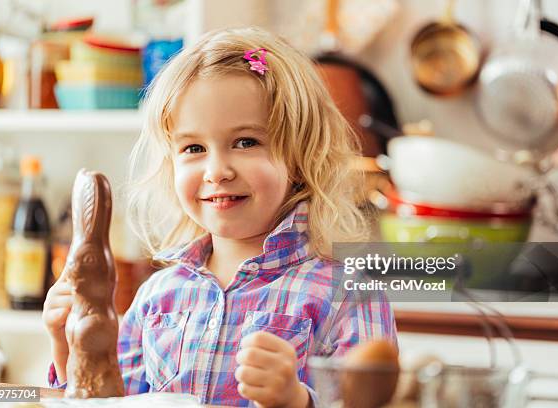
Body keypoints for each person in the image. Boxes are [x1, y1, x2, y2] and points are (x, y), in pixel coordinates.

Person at [43, 27, 397, 407]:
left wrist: (298, 400)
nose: (217, 170)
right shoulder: (157, 297)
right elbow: (114, 402)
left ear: (299, 155)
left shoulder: (347, 293)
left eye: (246, 142)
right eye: (193, 147)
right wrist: (67, 348)